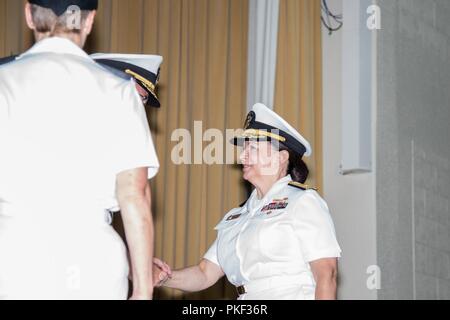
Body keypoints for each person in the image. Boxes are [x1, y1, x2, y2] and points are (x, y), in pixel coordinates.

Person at [0, 0, 158, 299]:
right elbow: (134, 195)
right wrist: (143, 290)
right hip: (93, 262)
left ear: (28, 15)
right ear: (89, 22)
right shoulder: (118, 89)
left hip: (16, 258)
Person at [153, 103, 342, 300]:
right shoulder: (237, 216)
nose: (242, 156)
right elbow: (204, 273)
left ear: (281, 157)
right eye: (245, 148)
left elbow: (326, 274)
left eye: (252, 148)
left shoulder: (303, 201)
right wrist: (164, 276)